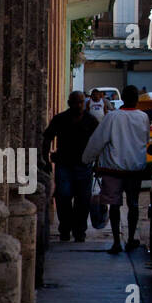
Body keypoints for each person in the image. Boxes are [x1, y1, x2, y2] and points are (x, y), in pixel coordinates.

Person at [82, 84, 150, 254]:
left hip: (113, 169)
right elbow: (146, 139)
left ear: (123, 99)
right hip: (135, 168)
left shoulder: (112, 117)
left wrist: (87, 159)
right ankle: (131, 238)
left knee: (114, 205)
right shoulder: (143, 117)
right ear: (136, 100)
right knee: (133, 204)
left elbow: (98, 140)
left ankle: (117, 241)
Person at [43, 91, 100, 243]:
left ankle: (80, 232)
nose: (78, 105)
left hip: (84, 167)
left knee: (83, 201)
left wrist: (98, 163)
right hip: (64, 166)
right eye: (75, 102)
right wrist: (45, 159)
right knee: (63, 198)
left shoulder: (91, 120)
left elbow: (99, 143)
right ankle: (65, 230)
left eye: (81, 102)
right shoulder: (60, 119)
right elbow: (47, 137)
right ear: (69, 103)